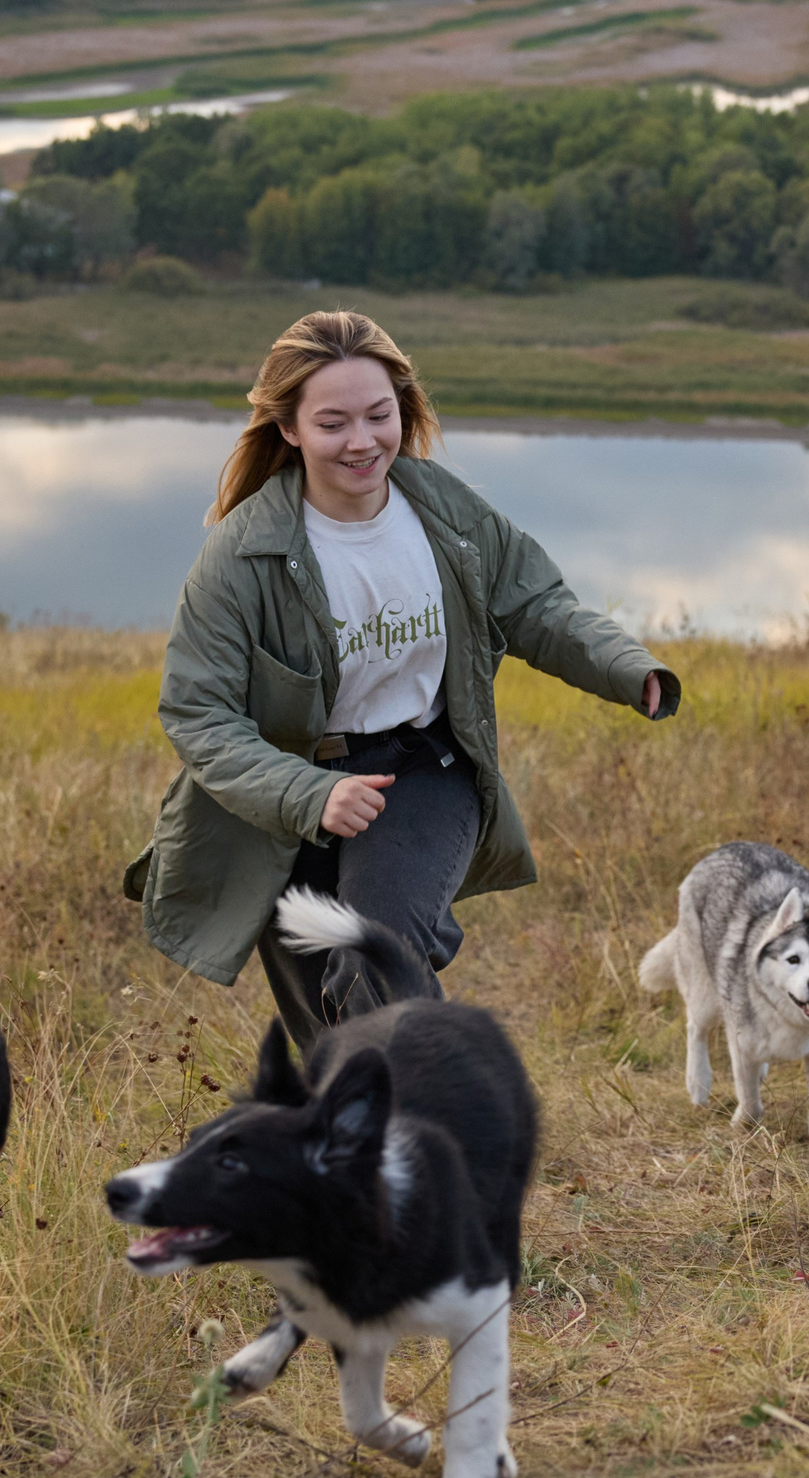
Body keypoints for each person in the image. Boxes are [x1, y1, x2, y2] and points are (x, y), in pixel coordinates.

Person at [124, 310, 679, 1046]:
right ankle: (374, 1150)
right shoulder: (240, 556)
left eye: (379, 415)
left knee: (371, 957)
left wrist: (627, 666)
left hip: (420, 771)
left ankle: (457, 1123)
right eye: (333, 423)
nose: (362, 441)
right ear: (289, 428)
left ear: (402, 411)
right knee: (330, 1035)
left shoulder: (445, 513)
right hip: (285, 796)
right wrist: (311, 793)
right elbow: (200, 715)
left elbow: (537, 604)